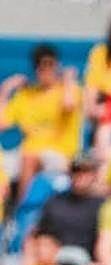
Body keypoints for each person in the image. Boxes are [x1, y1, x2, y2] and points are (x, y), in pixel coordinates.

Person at [0, 44, 82, 199]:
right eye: (40, 65)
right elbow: (2, 124)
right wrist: (5, 90)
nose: (45, 70)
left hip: (60, 153)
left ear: (57, 65)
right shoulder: (25, 95)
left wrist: (68, 80)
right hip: (25, 153)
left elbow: (69, 105)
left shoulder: (68, 90)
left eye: (50, 64)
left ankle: (22, 210)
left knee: (30, 157)